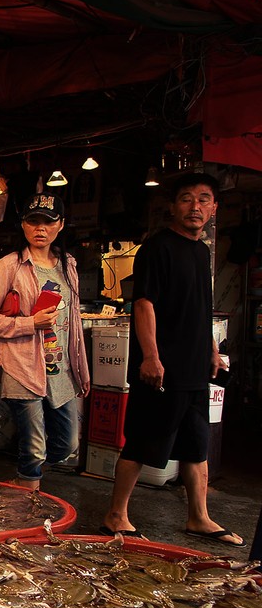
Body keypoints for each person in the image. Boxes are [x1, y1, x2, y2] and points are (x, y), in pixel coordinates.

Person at [102, 172, 238, 545]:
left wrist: (211, 349)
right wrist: (151, 356)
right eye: (187, 199)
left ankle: (199, 516)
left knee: (197, 446)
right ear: (173, 207)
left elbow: (201, 306)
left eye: (204, 199)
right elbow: (144, 303)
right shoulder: (157, 248)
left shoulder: (201, 250)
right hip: (162, 369)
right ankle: (116, 514)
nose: (196, 207)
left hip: (195, 368)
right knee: (143, 440)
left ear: (214, 207)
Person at [0, 194, 90, 490]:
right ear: (23, 225)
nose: (41, 228)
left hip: (60, 367)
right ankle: (27, 497)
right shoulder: (9, 265)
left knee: (67, 444)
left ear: (61, 225)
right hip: (22, 364)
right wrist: (30, 323)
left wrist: (80, 366)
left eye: (48, 222)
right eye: (33, 221)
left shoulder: (69, 265)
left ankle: (23, 477)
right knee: (35, 446)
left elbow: (74, 320)